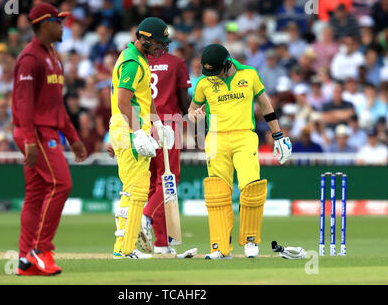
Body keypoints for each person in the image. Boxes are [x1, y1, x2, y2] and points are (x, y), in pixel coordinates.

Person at [188, 44, 292, 259]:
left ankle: (251, 240)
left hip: (245, 136)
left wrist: (278, 136)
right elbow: (191, 110)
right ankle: (220, 247)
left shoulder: (250, 74)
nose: (212, 76)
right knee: (218, 194)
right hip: (216, 140)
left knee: (252, 188)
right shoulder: (204, 82)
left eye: (215, 71)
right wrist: (194, 116)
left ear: (227, 63)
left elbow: (266, 107)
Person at [12, 3, 87, 276]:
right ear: (44, 24)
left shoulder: (54, 56)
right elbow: (24, 102)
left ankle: (24, 260)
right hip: (36, 133)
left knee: (35, 195)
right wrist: (30, 139)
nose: (62, 25)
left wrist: (73, 137)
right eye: (58, 21)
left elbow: (56, 103)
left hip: (48, 131)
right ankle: (40, 249)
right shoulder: (30, 58)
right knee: (61, 183)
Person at [110, 17, 174, 259]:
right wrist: (137, 131)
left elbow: (144, 100)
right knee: (134, 190)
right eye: (159, 42)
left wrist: (158, 124)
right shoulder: (133, 63)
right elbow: (123, 101)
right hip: (128, 130)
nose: (162, 48)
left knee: (134, 189)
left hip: (131, 128)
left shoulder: (139, 60)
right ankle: (125, 249)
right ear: (145, 38)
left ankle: (125, 247)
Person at [138, 37, 191, 255]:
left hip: (143, 125)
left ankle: (161, 243)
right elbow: (184, 101)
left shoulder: (140, 62)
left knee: (153, 184)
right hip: (170, 125)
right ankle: (146, 216)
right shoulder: (177, 63)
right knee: (170, 180)